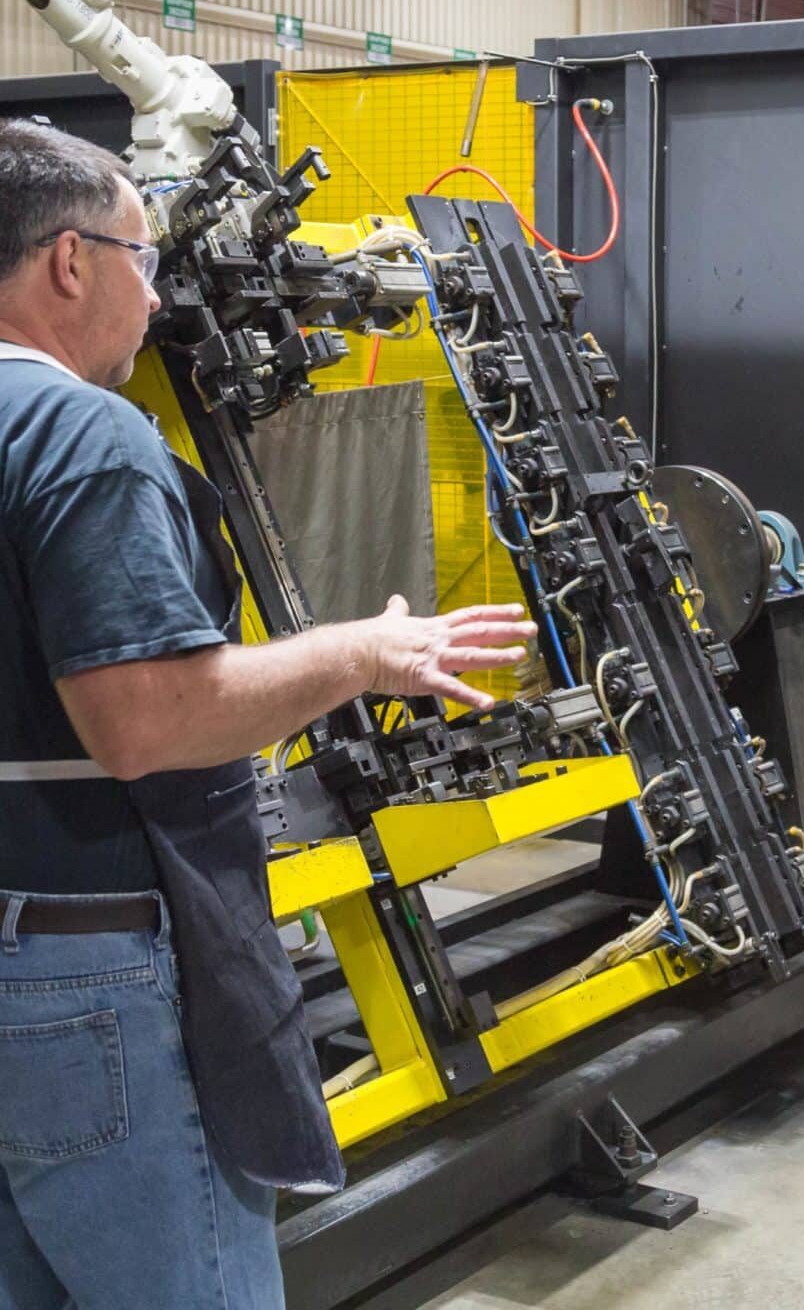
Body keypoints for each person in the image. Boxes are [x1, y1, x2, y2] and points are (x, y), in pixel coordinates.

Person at [0, 118, 536, 1308]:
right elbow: (144, 718)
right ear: (68, 263)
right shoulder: (81, 435)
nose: (150, 295)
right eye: (140, 260)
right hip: (87, 970)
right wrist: (363, 650)